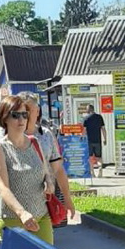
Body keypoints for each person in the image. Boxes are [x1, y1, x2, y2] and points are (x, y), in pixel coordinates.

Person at [0, 94, 55, 244]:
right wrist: (22, 213)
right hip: (13, 219)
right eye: (15, 115)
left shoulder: (35, 142)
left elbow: (46, 172)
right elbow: (3, 187)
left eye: (24, 115)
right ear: (5, 118)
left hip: (40, 214)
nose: (21, 120)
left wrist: (49, 183)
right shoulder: (0, 148)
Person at [24, 93, 76, 222]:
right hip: (18, 201)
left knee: (43, 241)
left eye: (30, 110)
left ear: (38, 111)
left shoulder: (46, 135)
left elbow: (58, 169)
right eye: (23, 111)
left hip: (44, 199)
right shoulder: (7, 134)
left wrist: (68, 200)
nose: (27, 115)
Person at [82, 104, 105, 177]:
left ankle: (92, 173)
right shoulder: (99, 117)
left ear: (88, 110)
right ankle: (100, 169)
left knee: (90, 157)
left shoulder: (86, 118)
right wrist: (105, 138)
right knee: (99, 157)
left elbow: (84, 131)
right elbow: (103, 129)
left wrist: (82, 138)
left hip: (89, 141)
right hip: (98, 140)